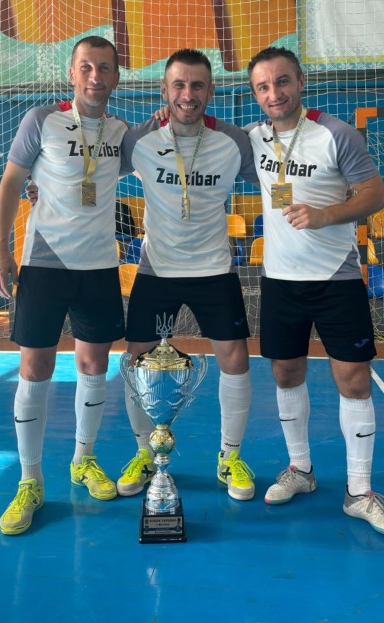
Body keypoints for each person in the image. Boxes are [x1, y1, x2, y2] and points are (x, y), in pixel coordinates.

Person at [244, 47, 384, 537]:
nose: (274, 93)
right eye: (263, 86)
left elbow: (375, 194)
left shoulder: (336, 133)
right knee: (285, 372)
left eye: (282, 81)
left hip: (336, 278)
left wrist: (324, 215)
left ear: (300, 82)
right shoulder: (253, 138)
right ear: (255, 94)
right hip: (280, 280)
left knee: (353, 379)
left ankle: (360, 491)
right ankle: (301, 469)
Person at [0, 36, 128, 535]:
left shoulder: (121, 132)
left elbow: (160, 158)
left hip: (99, 267)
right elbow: (12, 183)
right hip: (44, 264)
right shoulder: (41, 120)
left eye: (104, 68)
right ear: (72, 73)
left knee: (94, 365)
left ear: (116, 77)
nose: (95, 76)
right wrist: (0, 248)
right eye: (86, 67)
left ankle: (83, 459)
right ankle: (30, 481)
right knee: (35, 368)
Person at [116, 48, 261, 501]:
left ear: (211, 91)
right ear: (164, 90)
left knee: (235, 358)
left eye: (197, 85)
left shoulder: (234, 142)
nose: (187, 94)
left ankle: (230, 457)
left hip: (214, 268)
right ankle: (145, 453)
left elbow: (276, 177)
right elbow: (95, 171)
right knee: (136, 360)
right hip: (157, 267)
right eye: (178, 84)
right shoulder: (139, 140)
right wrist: (41, 186)